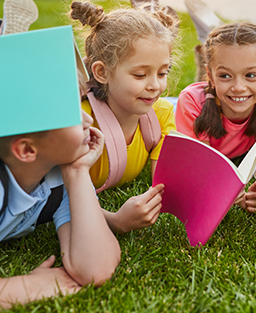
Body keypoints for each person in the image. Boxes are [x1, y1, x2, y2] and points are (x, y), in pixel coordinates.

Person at [0, 28, 121, 309]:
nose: (87, 118)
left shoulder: (59, 174)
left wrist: (78, 174)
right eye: (69, 111)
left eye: (79, 101)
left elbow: (96, 269)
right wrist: (21, 287)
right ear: (27, 150)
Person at [68, 1, 179, 232]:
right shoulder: (82, 121)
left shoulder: (161, 113)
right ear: (102, 72)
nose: (155, 85)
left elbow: (168, 184)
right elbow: (55, 198)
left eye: (162, 72)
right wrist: (115, 221)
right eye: (140, 75)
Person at [175, 22, 256, 214]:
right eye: (225, 75)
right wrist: (234, 193)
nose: (238, 87)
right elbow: (197, 170)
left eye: (251, 75)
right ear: (210, 75)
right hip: (202, 112)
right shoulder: (191, 102)